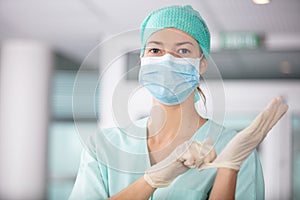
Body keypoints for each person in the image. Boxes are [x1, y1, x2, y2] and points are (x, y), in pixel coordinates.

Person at [69, 5, 288, 200]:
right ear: (142, 60)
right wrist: (150, 181)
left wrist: (228, 170)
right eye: (155, 50)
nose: (167, 59)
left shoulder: (234, 148)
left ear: (202, 64)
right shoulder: (103, 147)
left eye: (183, 51)